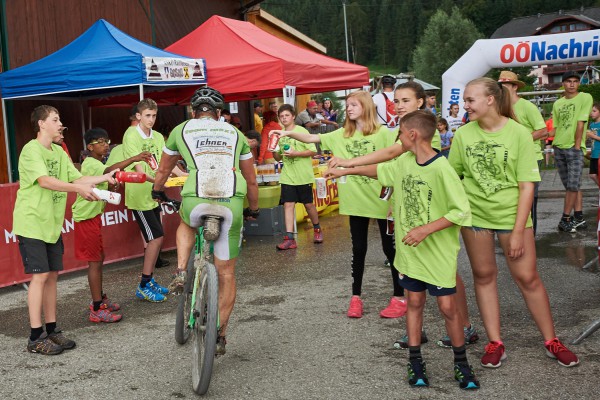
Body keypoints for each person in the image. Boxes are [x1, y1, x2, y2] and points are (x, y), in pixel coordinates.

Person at [325, 110, 479, 390]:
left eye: (399, 133)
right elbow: (380, 172)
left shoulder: (441, 168)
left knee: (447, 307)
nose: (397, 137)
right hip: (410, 254)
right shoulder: (404, 162)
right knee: (415, 303)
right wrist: (346, 169)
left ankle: (461, 364)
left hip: (437, 252)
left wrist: (425, 229)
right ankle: (416, 361)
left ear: (412, 134)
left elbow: (460, 211)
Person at [449, 77, 579, 369]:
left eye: (470, 100)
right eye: (465, 101)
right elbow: (452, 176)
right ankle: (495, 342)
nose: (465, 105)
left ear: (491, 100)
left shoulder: (518, 133)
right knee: (483, 276)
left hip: (512, 217)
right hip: (475, 218)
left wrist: (519, 231)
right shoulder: (463, 135)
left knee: (528, 278)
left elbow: (526, 187)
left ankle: (551, 340)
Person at [272, 90, 406, 319]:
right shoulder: (342, 134)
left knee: (389, 249)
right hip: (355, 201)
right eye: (348, 105)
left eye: (354, 104)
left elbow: (396, 164)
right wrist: (283, 132)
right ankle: (356, 297)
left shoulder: (384, 134)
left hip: (384, 200)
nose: (349, 108)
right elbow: (312, 138)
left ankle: (399, 296)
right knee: (358, 249)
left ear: (365, 106)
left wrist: (396, 199)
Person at [152, 86, 259, 355]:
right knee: (226, 273)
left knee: (187, 223)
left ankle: (179, 272)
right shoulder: (236, 134)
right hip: (232, 201)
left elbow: (164, 168)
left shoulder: (182, 129)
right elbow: (251, 179)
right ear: (220, 113)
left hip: (196, 198)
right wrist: (253, 209)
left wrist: (157, 190)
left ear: (193, 111)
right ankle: (220, 334)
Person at [13, 105, 117, 355]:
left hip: (51, 225)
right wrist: (79, 190)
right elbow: (45, 181)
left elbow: (76, 179)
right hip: (32, 223)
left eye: (60, 120)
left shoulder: (59, 152)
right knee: (39, 277)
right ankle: (35, 337)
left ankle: (52, 330)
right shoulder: (31, 150)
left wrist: (105, 178)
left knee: (51, 277)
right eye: (55, 119)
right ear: (41, 124)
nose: (61, 125)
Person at [72, 128, 151, 323]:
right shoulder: (91, 163)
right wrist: (133, 159)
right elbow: (108, 172)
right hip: (85, 218)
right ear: (90, 147)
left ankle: (100, 299)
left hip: (93, 217)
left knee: (99, 258)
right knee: (95, 261)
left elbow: (106, 182)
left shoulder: (97, 163)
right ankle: (97, 308)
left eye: (107, 140)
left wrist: (113, 186)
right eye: (100, 142)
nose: (106, 144)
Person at [122, 99, 176, 302]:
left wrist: (182, 176)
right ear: (138, 116)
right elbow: (138, 170)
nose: (151, 119)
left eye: (154, 115)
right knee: (155, 238)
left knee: (157, 238)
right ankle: (144, 284)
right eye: (147, 115)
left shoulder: (159, 137)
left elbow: (165, 164)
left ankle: (149, 280)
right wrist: (163, 180)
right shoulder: (131, 135)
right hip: (139, 195)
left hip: (154, 194)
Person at [498, 70, 548, 234]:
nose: (501, 88)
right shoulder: (498, 108)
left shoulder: (527, 106)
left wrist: (520, 141)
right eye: (499, 85)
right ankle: (511, 234)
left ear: (514, 87)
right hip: (508, 159)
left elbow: (543, 131)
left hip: (530, 158)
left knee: (529, 200)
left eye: (504, 85)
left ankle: (529, 237)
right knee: (512, 199)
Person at [271, 104, 323, 250]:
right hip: (287, 175)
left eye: (287, 115)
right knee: (288, 204)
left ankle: (317, 228)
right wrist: (273, 150)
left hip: (303, 175)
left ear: (293, 116)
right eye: (281, 116)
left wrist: (296, 153)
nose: (284, 118)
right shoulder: (279, 134)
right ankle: (289, 238)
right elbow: (277, 158)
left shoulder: (302, 131)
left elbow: (312, 151)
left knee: (308, 205)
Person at [552, 71, 593, 232]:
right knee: (571, 185)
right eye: (568, 81)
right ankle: (579, 217)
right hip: (558, 147)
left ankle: (565, 218)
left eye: (575, 81)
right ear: (563, 83)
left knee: (573, 186)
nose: (572, 84)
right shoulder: (557, 104)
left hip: (573, 148)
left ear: (578, 84)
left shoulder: (585, 97)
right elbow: (556, 128)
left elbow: (581, 123)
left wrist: (577, 147)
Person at [586, 103, 600, 187]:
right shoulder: (591, 125)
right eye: (591, 111)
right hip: (594, 153)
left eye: (594, 111)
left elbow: (594, 137)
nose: (592, 113)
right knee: (592, 175)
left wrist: (593, 136)